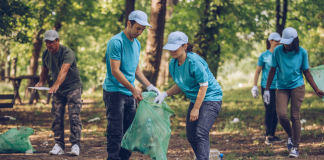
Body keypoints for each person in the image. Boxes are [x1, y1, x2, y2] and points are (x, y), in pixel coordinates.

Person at [153, 31, 223, 160]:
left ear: (185, 46)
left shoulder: (194, 62)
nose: (172, 50)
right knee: (191, 136)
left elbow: (204, 85)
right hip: (196, 98)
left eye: (176, 47)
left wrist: (196, 108)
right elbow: (182, 84)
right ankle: (203, 157)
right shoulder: (173, 64)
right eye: (170, 47)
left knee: (201, 133)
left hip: (211, 97)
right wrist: (164, 94)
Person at [103, 10, 161, 160]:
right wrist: (133, 89)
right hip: (115, 92)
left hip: (130, 93)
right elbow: (115, 71)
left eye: (142, 29)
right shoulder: (116, 42)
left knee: (130, 132)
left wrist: (150, 86)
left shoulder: (137, 44)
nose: (140, 32)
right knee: (116, 131)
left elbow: (135, 69)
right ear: (129, 23)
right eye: (138, 28)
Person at [263, 27, 324, 157]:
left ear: (294, 41)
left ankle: (295, 147)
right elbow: (272, 70)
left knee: (295, 116)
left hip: (297, 86)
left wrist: (316, 89)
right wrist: (267, 90)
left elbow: (306, 72)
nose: (286, 44)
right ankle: (291, 135)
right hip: (282, 87)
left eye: (288, 42)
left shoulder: (302, 52)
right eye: (284, 41)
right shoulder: (278, 51)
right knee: (281, 115)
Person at [37, 30, 83, 156]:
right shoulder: (46, 53)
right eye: (46, 42)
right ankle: (59, 145)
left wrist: (55, 85)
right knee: (57, 116)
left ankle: (75, 145)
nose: (49, 45)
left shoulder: (67, 52)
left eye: (51, 42)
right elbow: (45, 70)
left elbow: (64, 70)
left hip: (73, 87)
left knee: (74, 116)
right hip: (58, 90)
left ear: (58, 41)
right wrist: (41, 82)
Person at [251, 32, 283, 145]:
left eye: (280, 41)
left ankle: (273, 135)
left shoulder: (281, 54)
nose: (279, 42)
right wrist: (254, 86)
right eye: (276, 40)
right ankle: (267, 136)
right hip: (267, 87)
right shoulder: (264, 56)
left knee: (278, 112)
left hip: (280, 87)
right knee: (269, 110)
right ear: (270, 41)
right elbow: (257, 72)